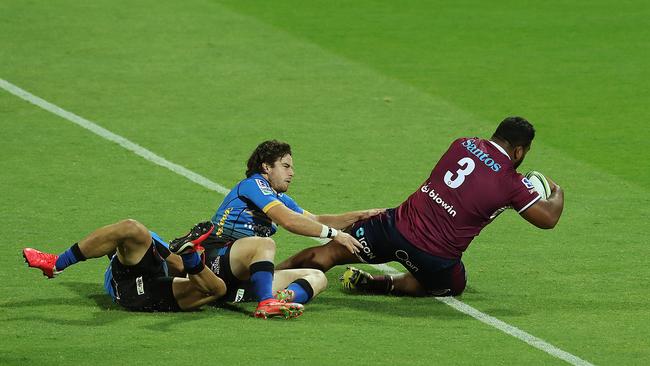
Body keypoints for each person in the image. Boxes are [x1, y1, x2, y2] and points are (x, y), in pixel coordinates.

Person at [277, 116, 565, 297]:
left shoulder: (462, 144)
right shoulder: (511, 183)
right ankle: (382, 284)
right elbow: (548, 218)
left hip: (392, 228)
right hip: (434, 258)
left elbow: (473, 182)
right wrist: (556, 190)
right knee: (452, 286)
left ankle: (266, 278)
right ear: (519, 151)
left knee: (331, 251)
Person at [203, 140, 384, 303]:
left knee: (318, 277)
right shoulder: (253, 184)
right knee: (265, 244)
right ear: (266, 167)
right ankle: (267, 303)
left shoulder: (279, 198)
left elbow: (315, 220)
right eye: (286, 166)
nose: (292, 173)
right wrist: (335, 235)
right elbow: (289, 221)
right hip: (216, 259)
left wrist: (360, 215)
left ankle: (282, 298)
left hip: (241, 277)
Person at [22, 220, 305, 319]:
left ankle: (193, 255)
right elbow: (174, 263)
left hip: (157, 286)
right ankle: (56, 263)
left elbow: (177, 265)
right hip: (132, 289)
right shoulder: (122, 262)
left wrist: (181, 255)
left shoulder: (151, 243)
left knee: (217, 288)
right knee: (132, 227)